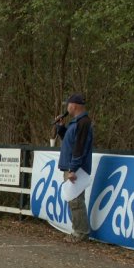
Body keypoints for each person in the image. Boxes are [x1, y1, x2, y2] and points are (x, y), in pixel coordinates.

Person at [55, 93, 93, 242]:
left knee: (76, 201)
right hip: (73, 167)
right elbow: (70, 142)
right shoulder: (76, 123)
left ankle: (81, 232)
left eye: (68, 104)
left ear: (74, 105)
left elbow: (79, 148)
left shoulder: (83, 123)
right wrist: (61, 128)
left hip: (76, 169)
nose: (66, 107)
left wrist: (73, 169)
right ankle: (79, 231)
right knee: (73, 199)